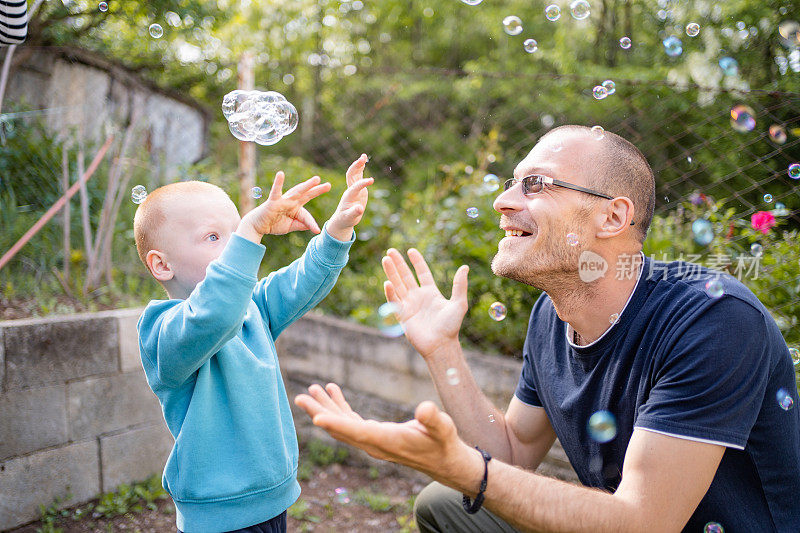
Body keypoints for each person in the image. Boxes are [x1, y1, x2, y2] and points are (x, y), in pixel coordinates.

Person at [295, 126, 800, 532]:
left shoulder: (711, 319)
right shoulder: (551, 313)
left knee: (464, 486)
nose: (504, 202)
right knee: (444, 502)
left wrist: (466, 468)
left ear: (612, 216)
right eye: (513, 182)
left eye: (535, 184)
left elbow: (646, 522)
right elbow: (513, 452)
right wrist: (442, 350)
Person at [134, 155, 372, 533]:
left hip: (274, 500)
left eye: (235, 234)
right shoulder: (163, 331)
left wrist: (336, 231)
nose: (236, 247)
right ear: (162, 265)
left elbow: (302, 281)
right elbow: (213, 314)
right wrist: (249, 232)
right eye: (214, 237)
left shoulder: (252, 307)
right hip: (217, 516)